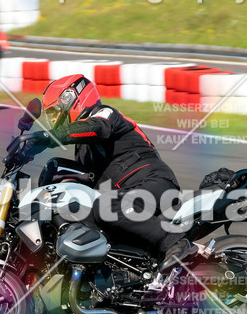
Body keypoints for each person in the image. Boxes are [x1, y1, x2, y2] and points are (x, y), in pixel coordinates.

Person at [18, 74, 194, 271]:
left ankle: (175, 242)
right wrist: (25, 153)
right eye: (51, 117)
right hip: (126, 194)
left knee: (107, 206)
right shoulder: (84, 151)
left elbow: (98, 128)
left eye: (56, 112)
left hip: (153, 180)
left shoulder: (105, 114)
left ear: (72, 99)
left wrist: (46, 137)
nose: (54, 121)